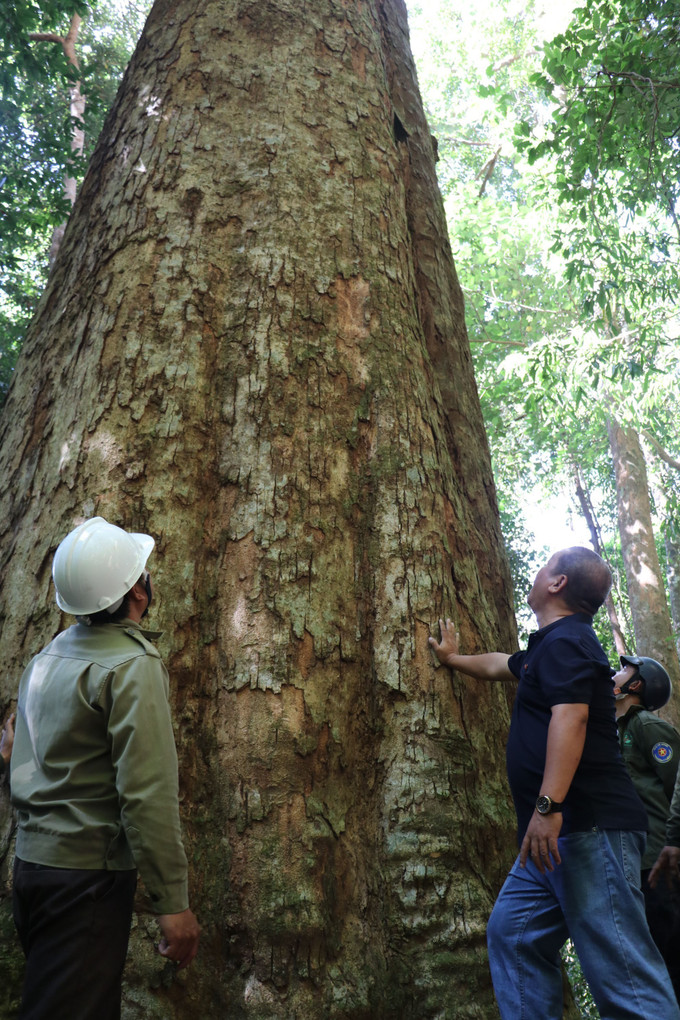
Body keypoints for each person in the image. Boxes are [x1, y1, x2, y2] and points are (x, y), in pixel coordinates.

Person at [429, 546, 680, 1020]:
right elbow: (501, 665)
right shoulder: (551, 646)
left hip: (586, 829)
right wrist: (453, 658)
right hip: (552, 840)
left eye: (545, 565)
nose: (538, 571)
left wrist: (547, 807)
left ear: (557, 583)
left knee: (625, 976)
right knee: (514, 935)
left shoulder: (569, 642)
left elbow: (572, 718)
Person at [10, 516, 201, 1020]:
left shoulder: (45, 658)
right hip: (85, 884)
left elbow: (19, 755)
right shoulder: (132, 666)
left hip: (31, 871)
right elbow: (147, 792)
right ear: (137, 591)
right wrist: (172, 902)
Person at [613, 653, 680, 1000]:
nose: (615, 673)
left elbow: (676, 785)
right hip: (633, 864)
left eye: (624, 670)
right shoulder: (615, 731)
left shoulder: (647, 726)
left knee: (672, 954)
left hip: (660, 862)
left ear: (636, 685)